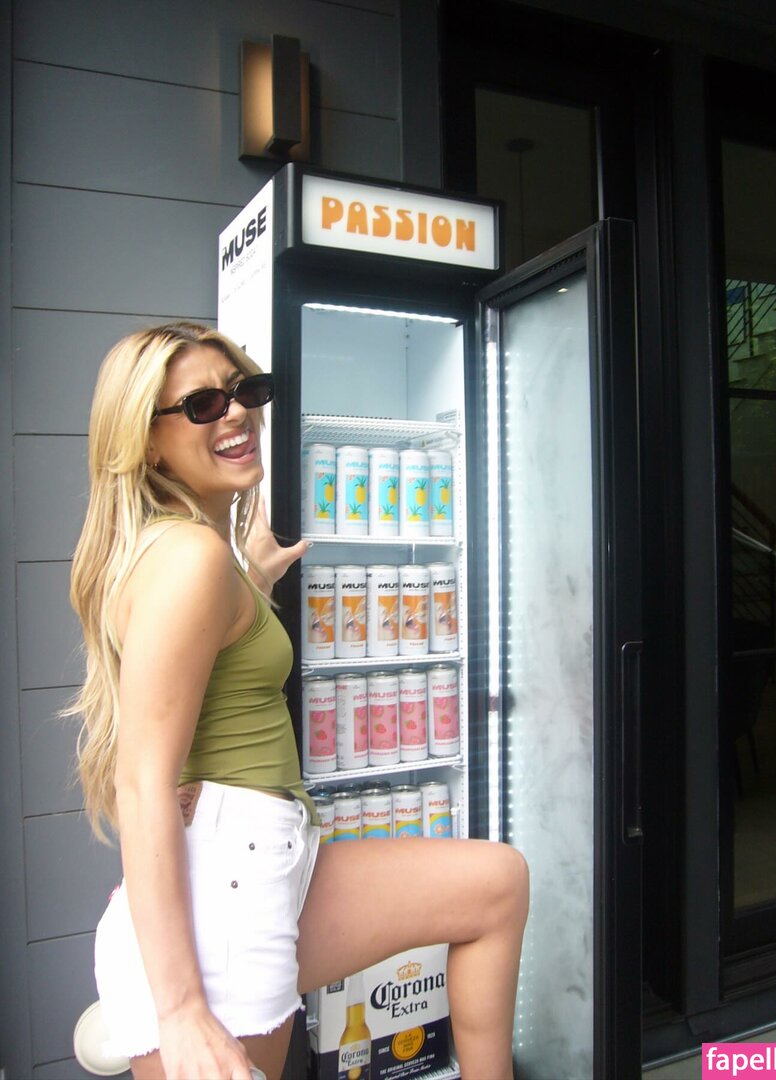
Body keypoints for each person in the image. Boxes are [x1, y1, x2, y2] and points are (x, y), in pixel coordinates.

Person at [68, 323, 529, 1080]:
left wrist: (254, 582)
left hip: (270, 862)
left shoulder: (192, 554)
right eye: (202, 403)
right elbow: (140, 781)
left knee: (494, 885)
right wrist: (180, 1009)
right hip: (228, 893)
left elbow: (206, 677)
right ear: (146, 444)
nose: (236, 413)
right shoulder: (190, 560)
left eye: (244, 390)